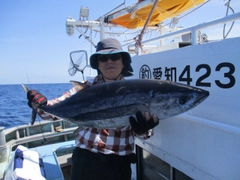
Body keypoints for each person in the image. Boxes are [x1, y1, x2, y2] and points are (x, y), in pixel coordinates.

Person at [27, 38, 159, 180]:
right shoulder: (84, 88)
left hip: (118, 165)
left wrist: (143, 129)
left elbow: (145, 134)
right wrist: (41, 104)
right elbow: (53, 111)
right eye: (103, 58)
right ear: (98, 64)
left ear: (123, 62)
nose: (109, 61)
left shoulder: (135, 91)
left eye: (115, 57)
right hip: (85, 160)